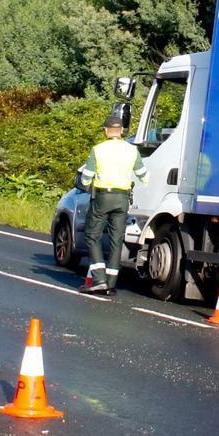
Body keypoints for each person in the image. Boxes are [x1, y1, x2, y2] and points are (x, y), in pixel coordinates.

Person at [78, 103, 146, 294]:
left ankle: (99, 279)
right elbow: (143, 174)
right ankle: (111, 283)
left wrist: (84, 183)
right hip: (123, 197)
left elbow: (87, 176)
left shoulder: (98, 149)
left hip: (103, 196)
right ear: (122, 131)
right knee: (117, 239)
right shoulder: (132, 150)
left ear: (106, 131)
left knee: (93, 235)